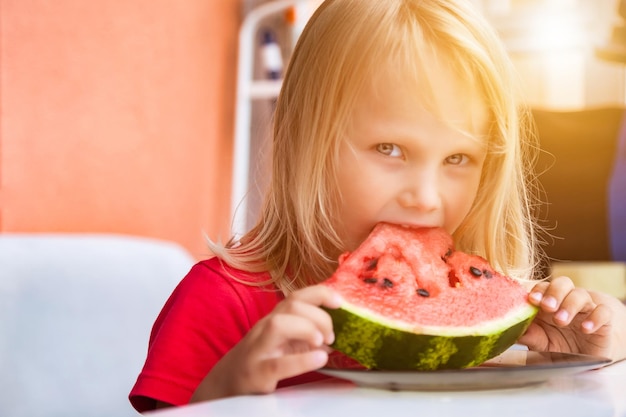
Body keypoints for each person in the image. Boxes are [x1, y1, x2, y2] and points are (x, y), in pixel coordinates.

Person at [129, 0, 626, 412]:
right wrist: (231, 392)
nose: (426, 197)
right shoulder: (220, 301)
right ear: (305, 141)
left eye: (458, 158)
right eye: (391, 149)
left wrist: (581, 366)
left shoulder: (497, 319)